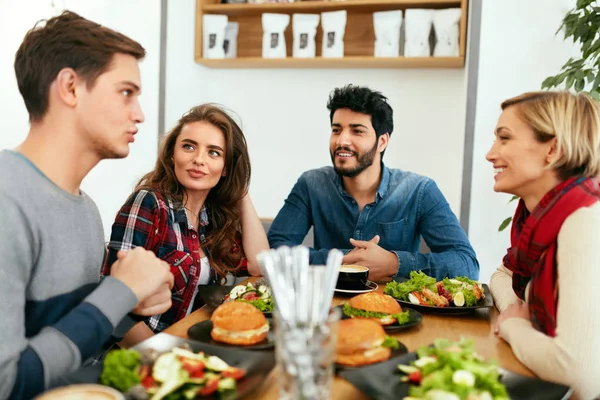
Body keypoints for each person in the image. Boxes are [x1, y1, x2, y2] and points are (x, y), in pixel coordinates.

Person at [0, 11, 175, 399]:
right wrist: (118, 291)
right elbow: (6, 383)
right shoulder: (6, 202)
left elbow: (64, 332)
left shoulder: (86, 210)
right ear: (71, 87)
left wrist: (130, 301)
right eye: (126, 92)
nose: (140, 114)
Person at [268, 84, 479, 281]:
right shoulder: (312, 184)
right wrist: (340, 260)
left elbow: (467, 265)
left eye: (357, 131)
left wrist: (395, 263)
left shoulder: (419, 190)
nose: (342, 140)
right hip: (328, 309)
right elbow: (275, 249)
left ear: (382, 141)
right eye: (336, 129)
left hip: (398, 312)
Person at [102, 103, 269, 345]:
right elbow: (114, 303)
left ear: (225, 168)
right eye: (189, 147)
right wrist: (166, 356)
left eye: (214, 153)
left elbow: (258, 265)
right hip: (144, 355)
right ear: (172, 155)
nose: (199, 160)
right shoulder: (150, 203)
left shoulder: (212, 218)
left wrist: (240, 189)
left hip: (191, 345)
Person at [489, 91, 600, 399]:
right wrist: (515, 309)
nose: (490, 153)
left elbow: (581, 373)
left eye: (504, 138)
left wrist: (512, 326)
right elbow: (502, 276)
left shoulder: (586, 221)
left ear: (552, 150)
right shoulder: (536, 217)